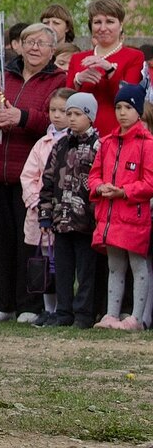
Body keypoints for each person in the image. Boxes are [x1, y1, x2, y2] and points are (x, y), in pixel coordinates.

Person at [0, 23, 64, 323]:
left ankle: (30, 305)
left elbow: (56, 120)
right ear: (18, 46)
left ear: (52, 50)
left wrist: (22, 118)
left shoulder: (59, 81)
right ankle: (1, 303)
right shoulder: (2, 79)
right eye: (28, 41)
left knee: (31, 244)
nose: (34, 47)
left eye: (41, 43)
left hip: (33, 178)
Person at [89, 83, 153, 331]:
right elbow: (94, 175)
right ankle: (111, 314)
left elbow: (149, 182)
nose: (122, 112)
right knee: (114, 266)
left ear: (139, 110)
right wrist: (99, 187)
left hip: (134, 215)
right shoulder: (107, 142)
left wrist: (124, 191)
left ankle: (136, 317)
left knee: (138, 266)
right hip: (109, 215)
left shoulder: (147, 143)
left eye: (128, 107)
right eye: (118, 107)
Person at [36, 92, 99, 328]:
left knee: (85, 270)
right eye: (67, 113)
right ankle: (63, 312)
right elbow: (48, 180)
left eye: (77, 114)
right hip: (60, 219)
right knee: (62, 268)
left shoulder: (98, 145)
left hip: (86, 221)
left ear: (90, 117)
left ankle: (83, 313)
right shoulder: (60, 145)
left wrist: (96, 216)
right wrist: (45, 215)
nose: (71, 118)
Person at [18, 87, 73, 317]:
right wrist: (36, 203)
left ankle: (63, 307)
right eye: (53, 110)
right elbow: (28, 175)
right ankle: (48, 308)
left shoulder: (74, 142)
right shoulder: (42, 143)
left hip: (66, 212)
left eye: (63, 110)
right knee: (44, 263)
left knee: (62, 263)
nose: (57, 115)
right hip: (42, 214)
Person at [67, 0, 144, 137]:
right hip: (80, 135)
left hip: (115, 132)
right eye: (97, 22)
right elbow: (65, 101)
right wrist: (77, 81)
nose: (103, 28)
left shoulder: (134, 56)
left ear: (120, 25)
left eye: (109, 22)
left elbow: (129, 100)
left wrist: (110, 71)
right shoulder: (77, 58)